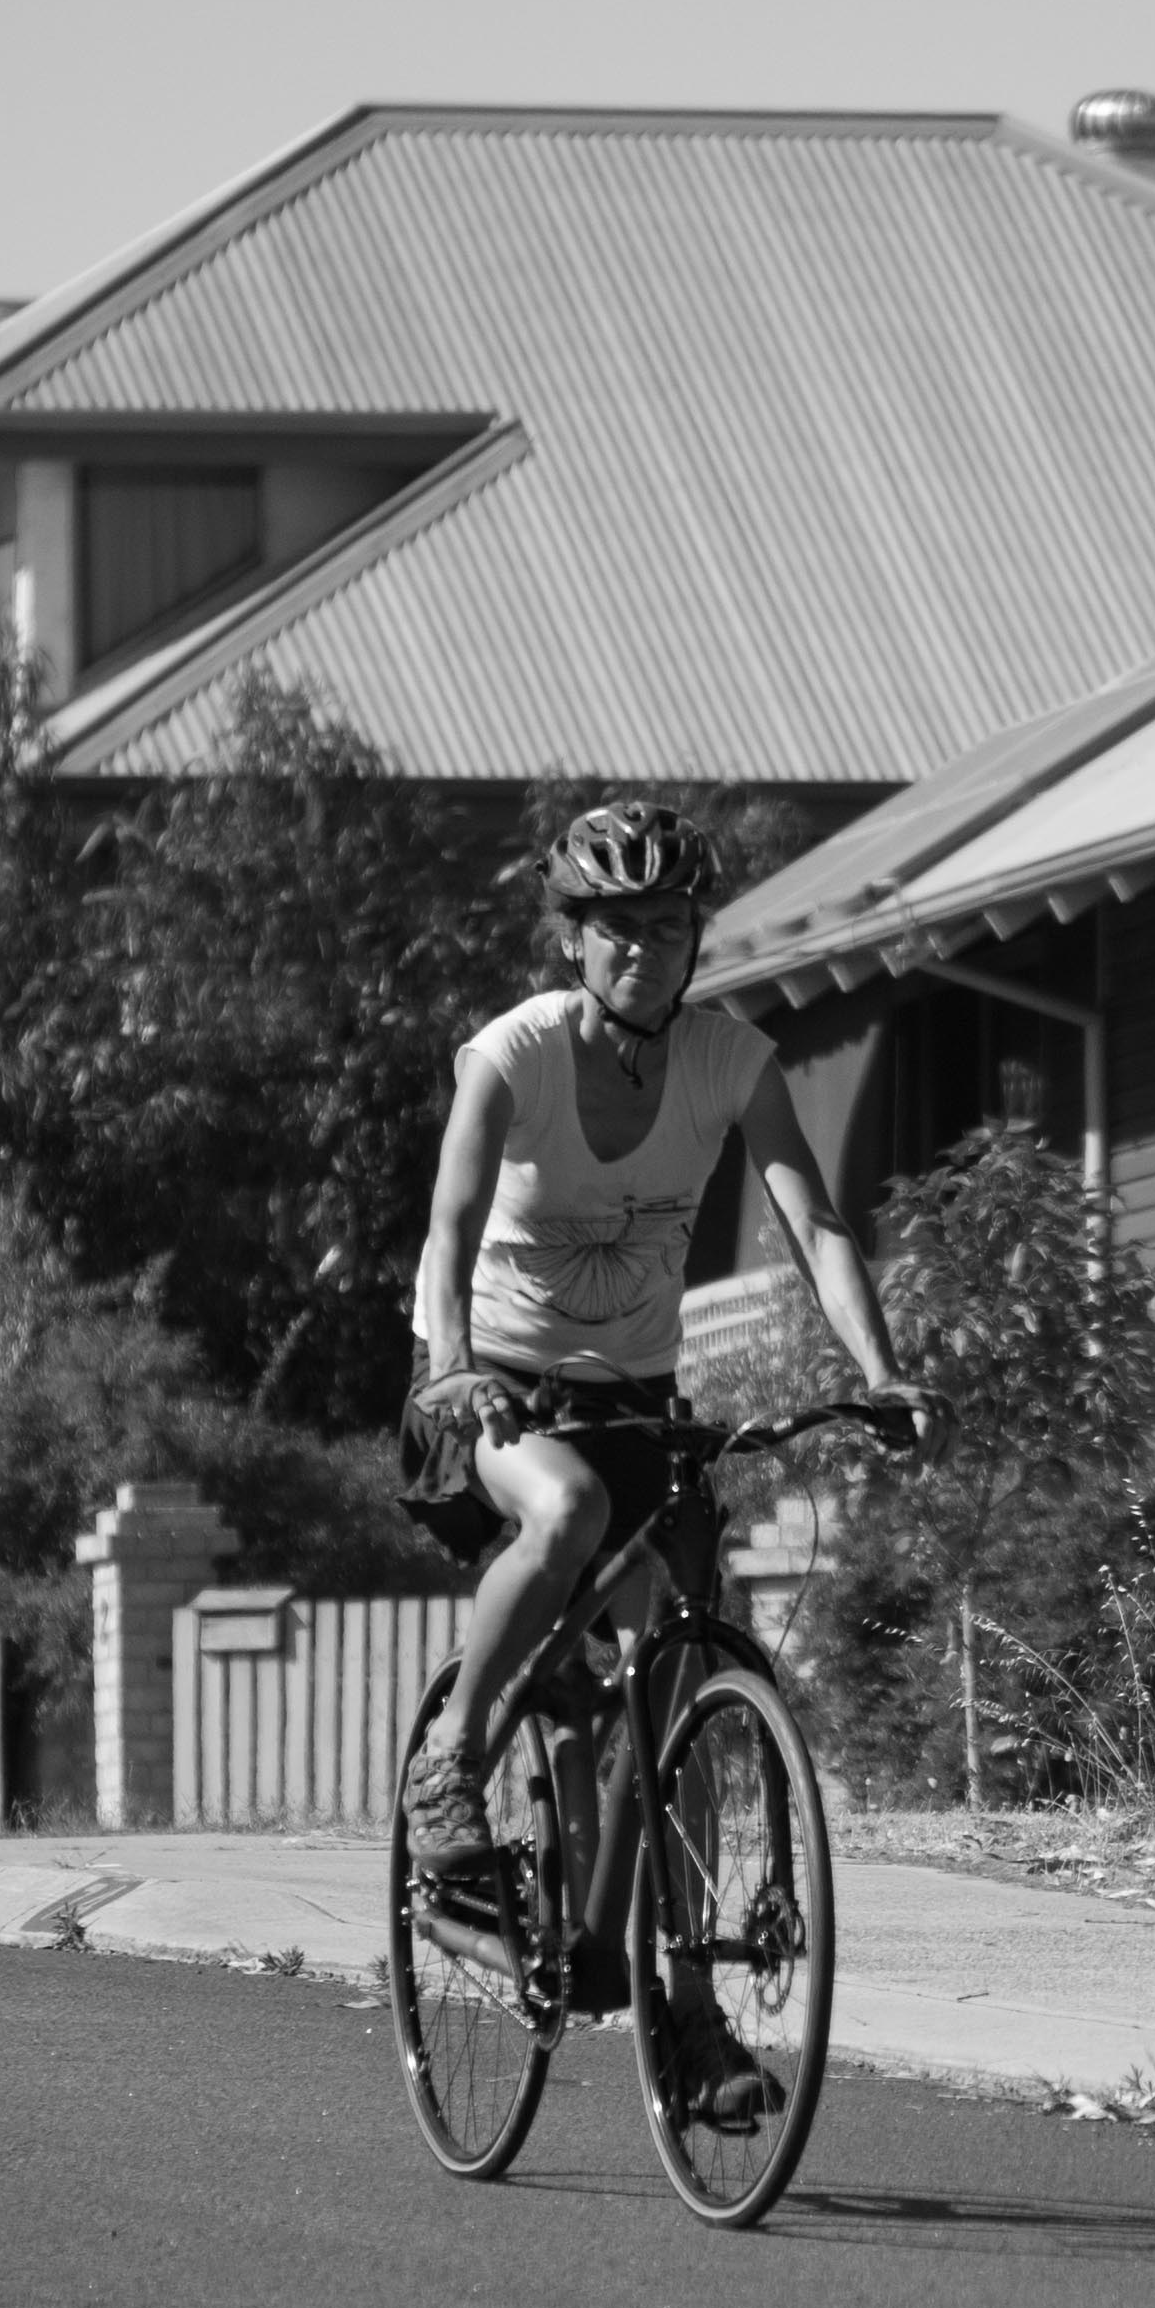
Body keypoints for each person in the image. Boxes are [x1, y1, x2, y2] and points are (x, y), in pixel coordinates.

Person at [398, 802, 943, 2091]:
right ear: (573, 938)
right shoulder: (514, 1054)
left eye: (669, 923)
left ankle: (683, 2011)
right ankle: (452, 1760)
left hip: (638, 1397)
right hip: (494, 1390)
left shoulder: (730, 1061)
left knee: (676, 1695)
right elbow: (449, 1228)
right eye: (619, 926)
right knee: (569, 1510)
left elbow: (815, 1225)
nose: (646, 946)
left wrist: (878, 1375)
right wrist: (453, 1367)